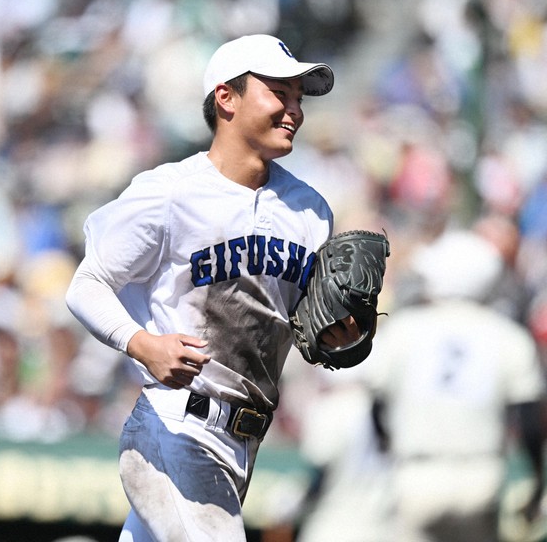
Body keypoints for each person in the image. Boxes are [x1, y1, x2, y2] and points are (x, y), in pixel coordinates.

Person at [66, 33, 354, 541]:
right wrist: (143, 344)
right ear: (226, 98)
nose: (294, 110)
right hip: (174, 426)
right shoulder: (170, 192)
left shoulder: (311, 211)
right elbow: (87, 284)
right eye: (279, 93)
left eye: (298, 98)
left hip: (243, 439)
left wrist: (344, 331)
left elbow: (312, 326)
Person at [363, 228, 547, 542]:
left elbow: (377, 406)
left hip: (417, 475)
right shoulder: (507, 334)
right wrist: (538, 480)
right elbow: (530, 420)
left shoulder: (404, 329)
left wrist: (388, 448)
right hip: (481, 475)